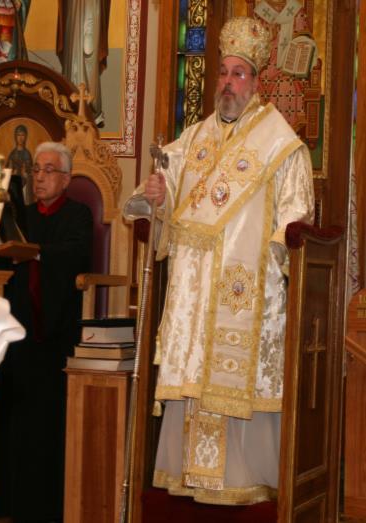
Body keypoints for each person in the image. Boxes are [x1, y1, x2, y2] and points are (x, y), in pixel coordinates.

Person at [124, 16, 315, 505]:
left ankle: (246, 485)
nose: (227, 83)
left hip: (247, 290)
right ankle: (189, 482)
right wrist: (157, 196)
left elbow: (298, 215)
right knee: (196, 377)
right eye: (223, 73)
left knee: (238, 381)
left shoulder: (282, 145)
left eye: (238, 73)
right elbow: (151, 204)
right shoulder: (192, 141)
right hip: (195, 290)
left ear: (255, 82)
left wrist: (284, 253)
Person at [0, 142, 93, 522]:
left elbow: (75, 254)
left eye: (48, 170)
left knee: (44, 426)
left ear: (66, 178)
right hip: (16, 330)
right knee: (9, 416)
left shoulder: (77, 215)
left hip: (54, 332)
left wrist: (34, 252)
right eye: (35, 170)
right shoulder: (22, 216)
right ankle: (5, 504)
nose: (39, 177)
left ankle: (45, 508)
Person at [57, 0, 111, 127]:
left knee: (90, 53)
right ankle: (70, 106)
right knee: (73, 52)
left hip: (92, 7)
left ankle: (92, 110)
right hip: (73, 7)